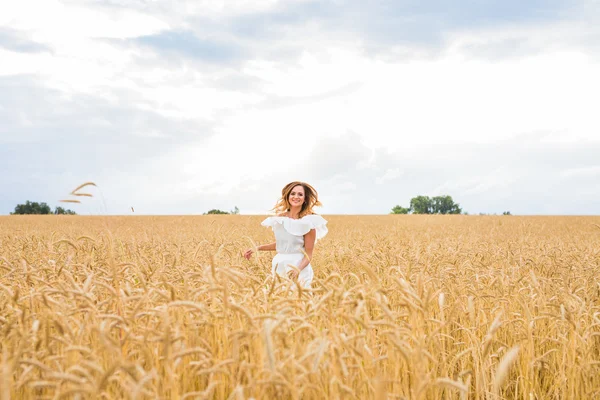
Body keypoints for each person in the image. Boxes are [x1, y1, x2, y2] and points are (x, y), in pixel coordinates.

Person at [243, 181, 328, 288]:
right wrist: (257, 248)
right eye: (293, 193)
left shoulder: (308, 222)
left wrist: (298, 269)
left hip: (298, 266)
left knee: (299, 299)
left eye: (300, 194)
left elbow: (308, 254)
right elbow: (282, 244)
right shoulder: (280, 218)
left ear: (305, 198)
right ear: (287, 196)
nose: (296, 197)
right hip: (280, 264)